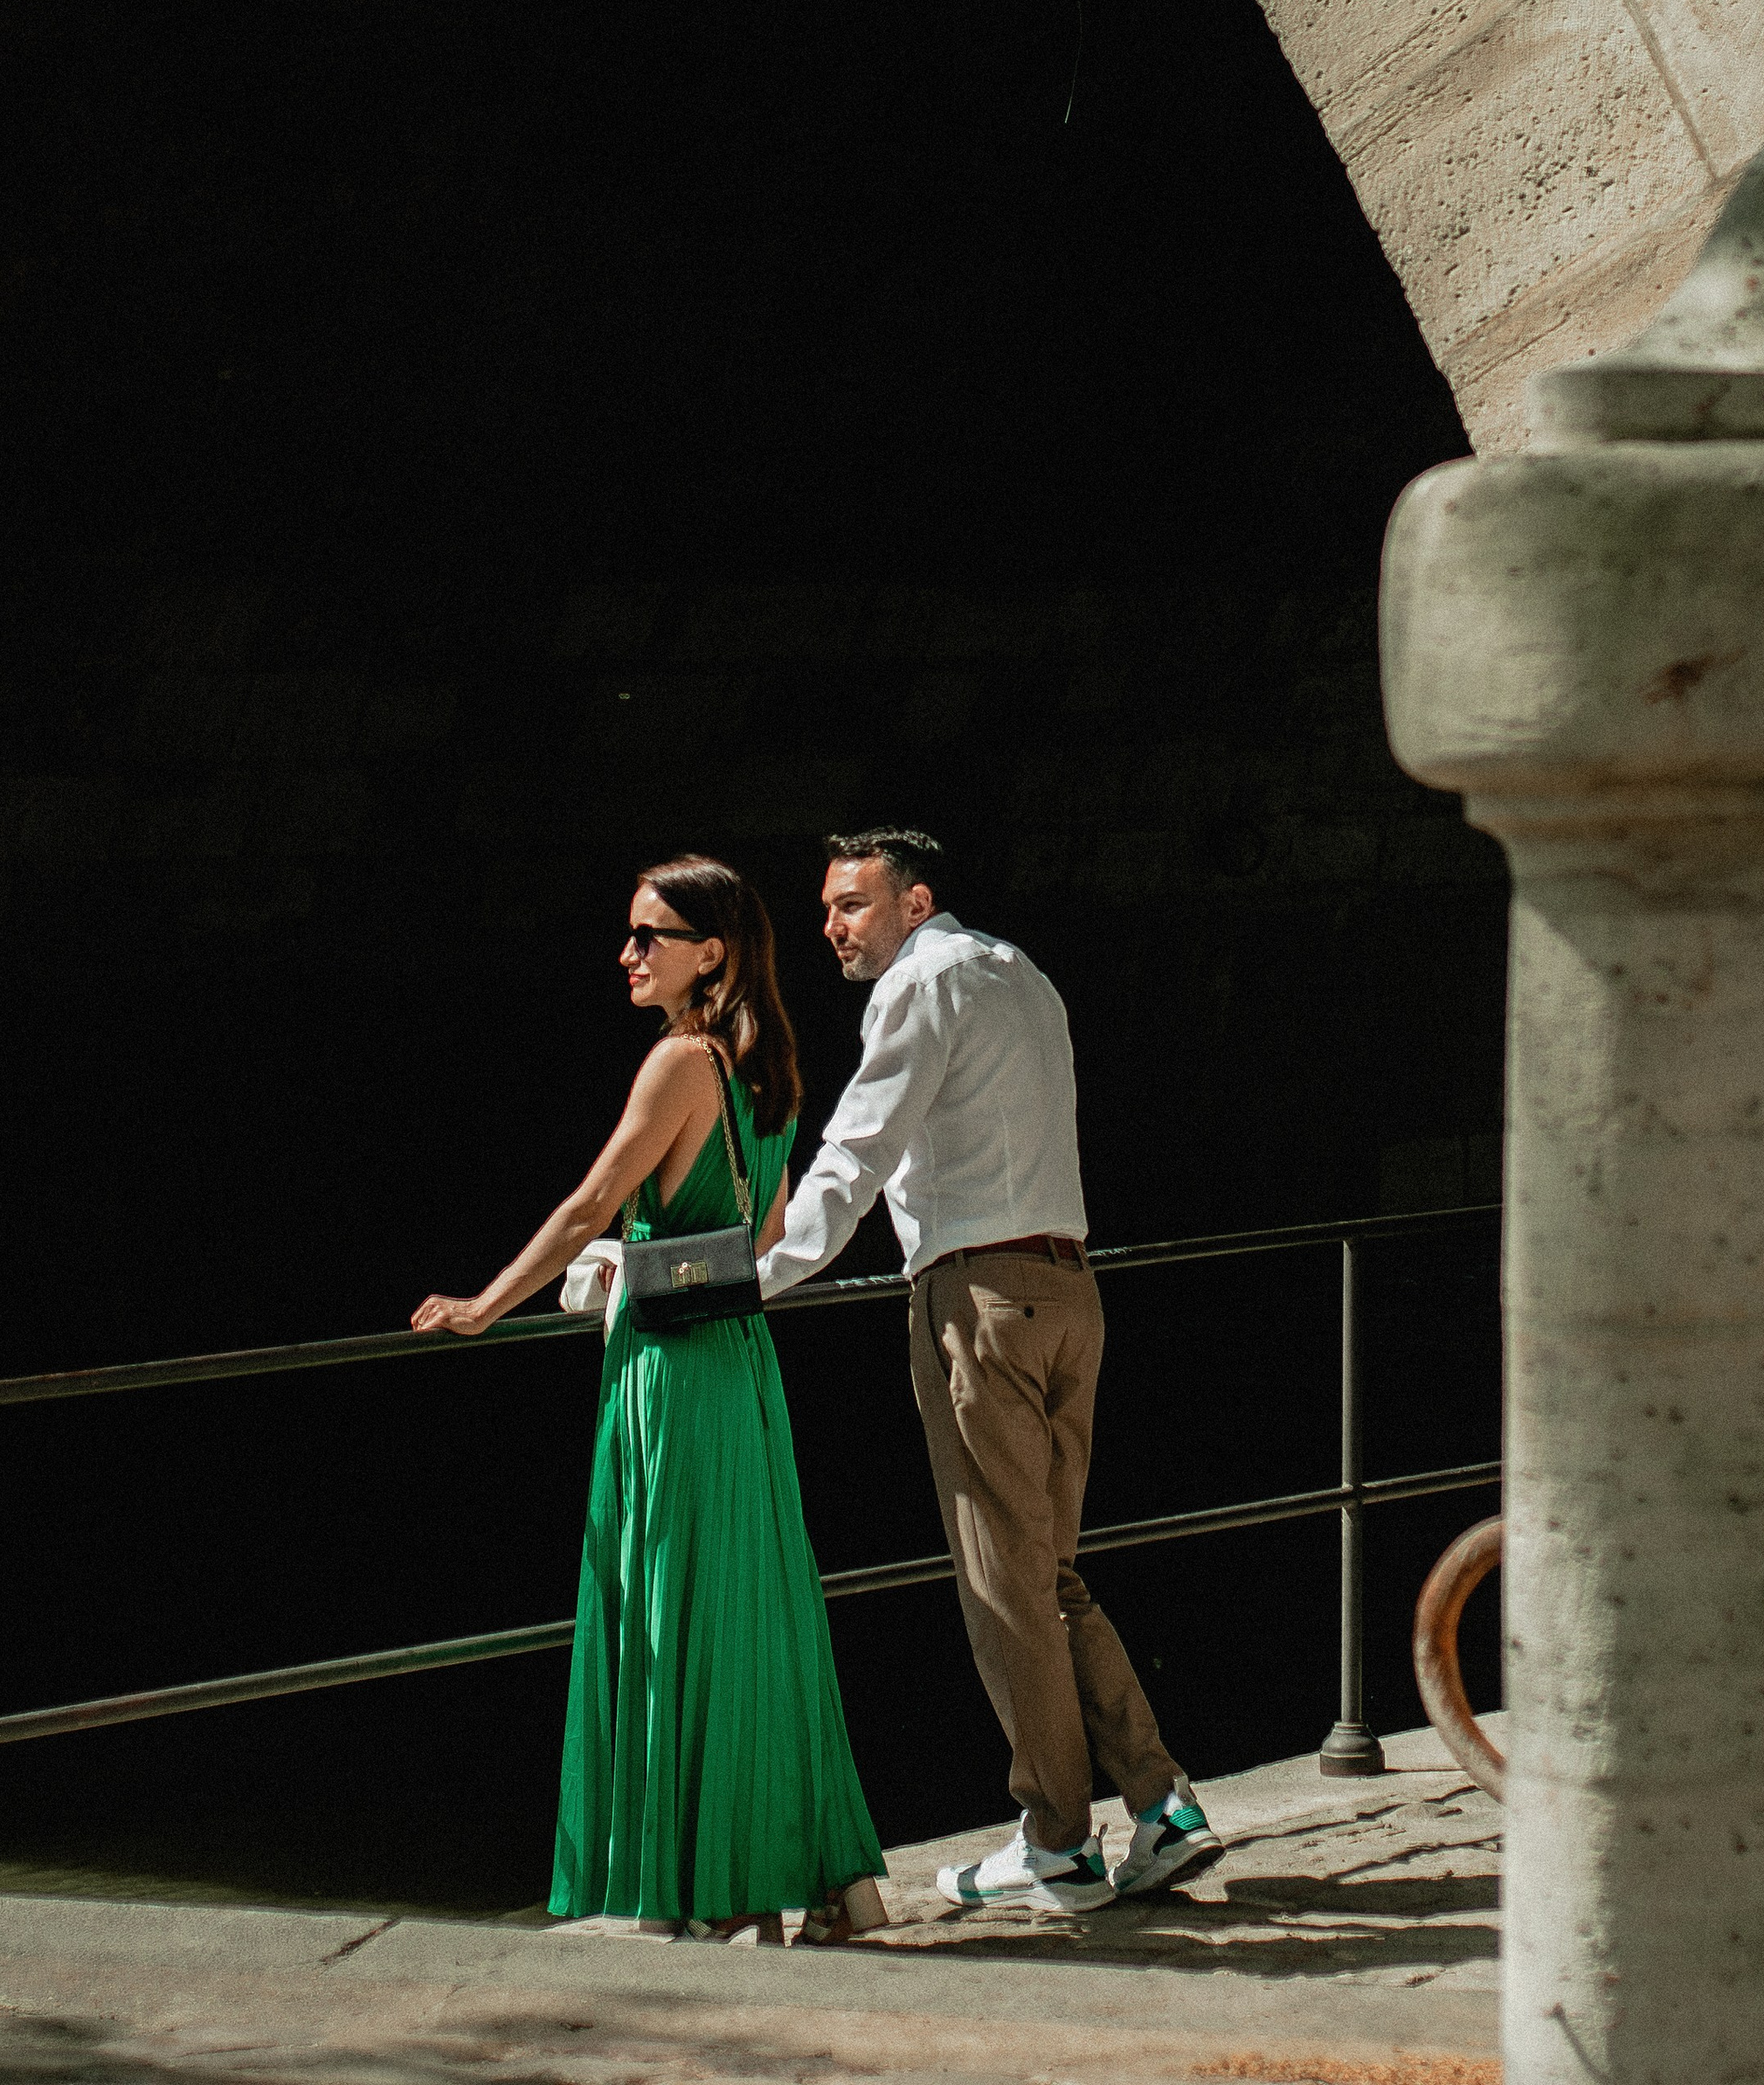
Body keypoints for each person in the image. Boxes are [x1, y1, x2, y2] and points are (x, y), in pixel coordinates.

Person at [412, 853, 887, 1947]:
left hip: (668, 1379)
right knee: (752, 1617)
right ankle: (796, 1871)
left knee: (670, 1616)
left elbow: (589, 1205)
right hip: (740, 1366)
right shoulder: (770, 1066)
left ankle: (695, 1883)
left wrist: (490, 1302)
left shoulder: (679, 1060)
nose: (628, 955)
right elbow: (764, 1235)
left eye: (649, 937)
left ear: (708, 953)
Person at [758, 826, 1221, 1918]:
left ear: (914, 904)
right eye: (826, 907)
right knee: (1050, 1571)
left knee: (1002, 1583)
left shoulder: (920, 985)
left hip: (978, 1301)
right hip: (1069, 1290)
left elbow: (855, 1154)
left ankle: (1057, 1842)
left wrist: (755, 1275)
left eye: (854, 905)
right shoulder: (1024, 975)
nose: (832, 926)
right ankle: (1159, 1807)